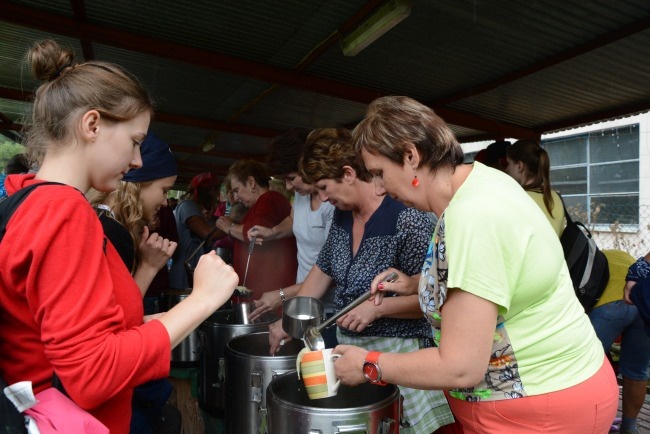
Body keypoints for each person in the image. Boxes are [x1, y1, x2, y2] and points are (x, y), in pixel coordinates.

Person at [333, 95, 618, 434]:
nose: (378, 188)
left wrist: (370, 364)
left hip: (539, 410)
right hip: (562, 387)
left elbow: (460, 367)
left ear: (411, 156)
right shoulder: (480, 182)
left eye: (380, 173)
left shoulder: (472, 217)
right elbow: (489, 282)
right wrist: (416, 283)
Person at [0, 39, 237, 434]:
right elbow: (93, 373)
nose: (137, 161)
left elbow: (73, 334)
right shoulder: (63, 211)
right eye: (135, 142)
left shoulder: (24, 197)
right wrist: (202, 300)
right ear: (92, 125)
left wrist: (157, 318)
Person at [267, 128, 454, 434]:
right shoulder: (343, 217)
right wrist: (289, 322)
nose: (324, 198)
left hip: (401, 355)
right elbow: (321, 272)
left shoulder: (406, 216)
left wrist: (378, 309)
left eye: (325, 187)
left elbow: (436, 300)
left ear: (349, 174)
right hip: (351, 356)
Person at [89, 132, 181, 434]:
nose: (166, 202)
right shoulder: (112, 233)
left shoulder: (104, 222)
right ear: (139, 184)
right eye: (164, 190)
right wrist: (149, 267)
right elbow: (118, 325)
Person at [246, 128, 335, 324]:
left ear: (309, 166)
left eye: (291, 178)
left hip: (329, 310)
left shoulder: (333, 202)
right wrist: (272, 232)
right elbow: (293, 220)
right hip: (304, 298)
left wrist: (281, 295)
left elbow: (332, 271)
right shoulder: (302, 194)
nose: (287, 186)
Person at [215, 160, 297, 301]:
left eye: (236, 190)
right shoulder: (257, 205)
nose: (235, 197)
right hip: (262, 289)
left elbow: (254, 233)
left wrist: (229, 228)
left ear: (251, 182)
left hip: (268, 291)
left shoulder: (270, 199)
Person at [589, 250, 650, 434]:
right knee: (637, 371)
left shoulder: (586, 258)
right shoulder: (620, 255)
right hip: (641, 299)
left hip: (608, 305)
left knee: (589, 368)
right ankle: (629, 428)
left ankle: (596, 425)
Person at [169, 171, 222, 289]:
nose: (217, 196)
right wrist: (231, 227)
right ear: (209, 191)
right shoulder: (187, 206)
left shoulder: (194, 209)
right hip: (183, 275)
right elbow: (207, 234)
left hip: (189, 273)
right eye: (216, 191)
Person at [505, 139, 565, 236]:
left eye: (509, 163)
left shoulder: (517, 199)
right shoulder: (555, 197)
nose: (507, 169)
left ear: (519, 166)